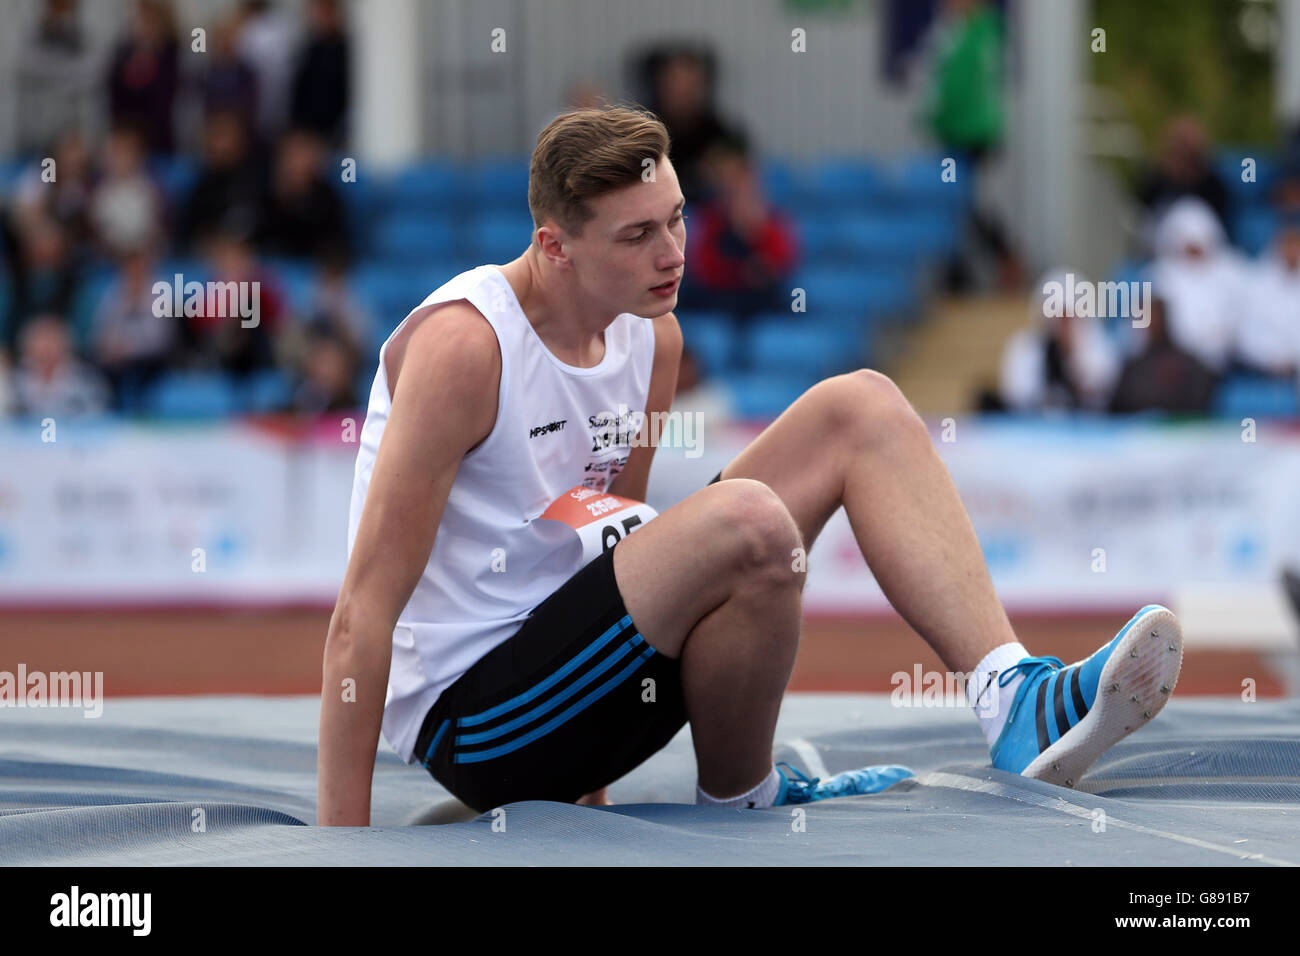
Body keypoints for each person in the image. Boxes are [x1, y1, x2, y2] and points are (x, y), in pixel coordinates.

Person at [317, 106, 1185, 826]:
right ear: (555, 248)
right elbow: (363, 612)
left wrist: (589, 793)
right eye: (637, 235)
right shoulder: (467, 349)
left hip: (584, 697)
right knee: (751, 524)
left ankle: (1012, 697)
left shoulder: (651, 334)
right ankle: (744, 796)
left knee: (864, 408)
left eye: (678, 217)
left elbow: (601, 544)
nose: (674, 252)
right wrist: (339, 845)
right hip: (479, 727)